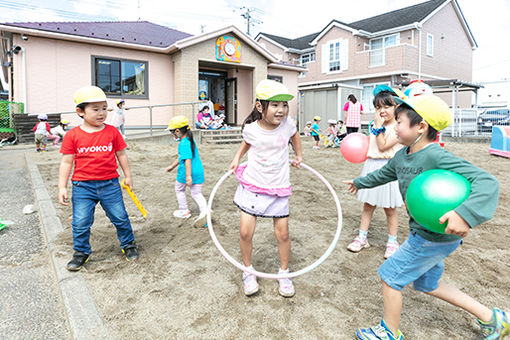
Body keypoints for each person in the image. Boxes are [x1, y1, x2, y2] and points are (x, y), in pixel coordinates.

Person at [343, 94, 508, 340]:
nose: (395, 126)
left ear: (421, 127)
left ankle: (388, 332)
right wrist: (360, 182)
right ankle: (494, 318)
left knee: (390, 276)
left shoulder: (436, 156)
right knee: (428, 284)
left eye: (400, 121)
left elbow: (487, 181)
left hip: (432, 235)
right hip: (423, 231)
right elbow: (384, 174)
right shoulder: (401, 156)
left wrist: (464, 214)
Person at [229, 79, 303, 297]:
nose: (281, 110)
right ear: (260, 106)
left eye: (284, 105)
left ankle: (284, 273)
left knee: (283, 234)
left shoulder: (288, 124)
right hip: (253, 185)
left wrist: (298, 155)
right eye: (275, 105)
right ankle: (248, 271)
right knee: (245, 232)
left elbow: (294, 136)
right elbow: (247, 142)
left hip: (278, 187)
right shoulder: (251, 129)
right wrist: (236, 158)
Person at [58, 86, 139, 271]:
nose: (101, 113)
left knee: (120, 217)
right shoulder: (72, 135)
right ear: (80, 111)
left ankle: (128, 244)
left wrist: (128, 176)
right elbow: (66, 162)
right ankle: (81, 252)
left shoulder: (112, 132)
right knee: (80, 222)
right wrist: (62, 187)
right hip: (82, 187)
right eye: (95, 109)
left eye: (104, 108)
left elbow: (122, 155)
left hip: (110, 184)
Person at [347, 85, 404, 259]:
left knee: (390, 208)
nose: (382, 110)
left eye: (387, 106)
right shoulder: (374, 124)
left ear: (396, 107)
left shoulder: (398, 127)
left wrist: (378, 126)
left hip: (389, 169)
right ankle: (362, 238)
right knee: (368, 205)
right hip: (371, 166)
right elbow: (370, 147)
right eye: (378, 107)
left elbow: (383, 145)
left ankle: (392, 242)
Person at [165, 115, 207, 222]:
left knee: (179, 189)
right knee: (197, 193)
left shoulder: (183, 143)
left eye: (172, 132)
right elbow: (181, 157)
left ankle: (184, 211)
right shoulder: (190, 140)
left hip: (186, 173)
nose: (171, 134)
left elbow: (187, 160)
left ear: (177, 131)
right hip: (198, 171)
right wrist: (172, 166)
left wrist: (188, 176)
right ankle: (205, 211)